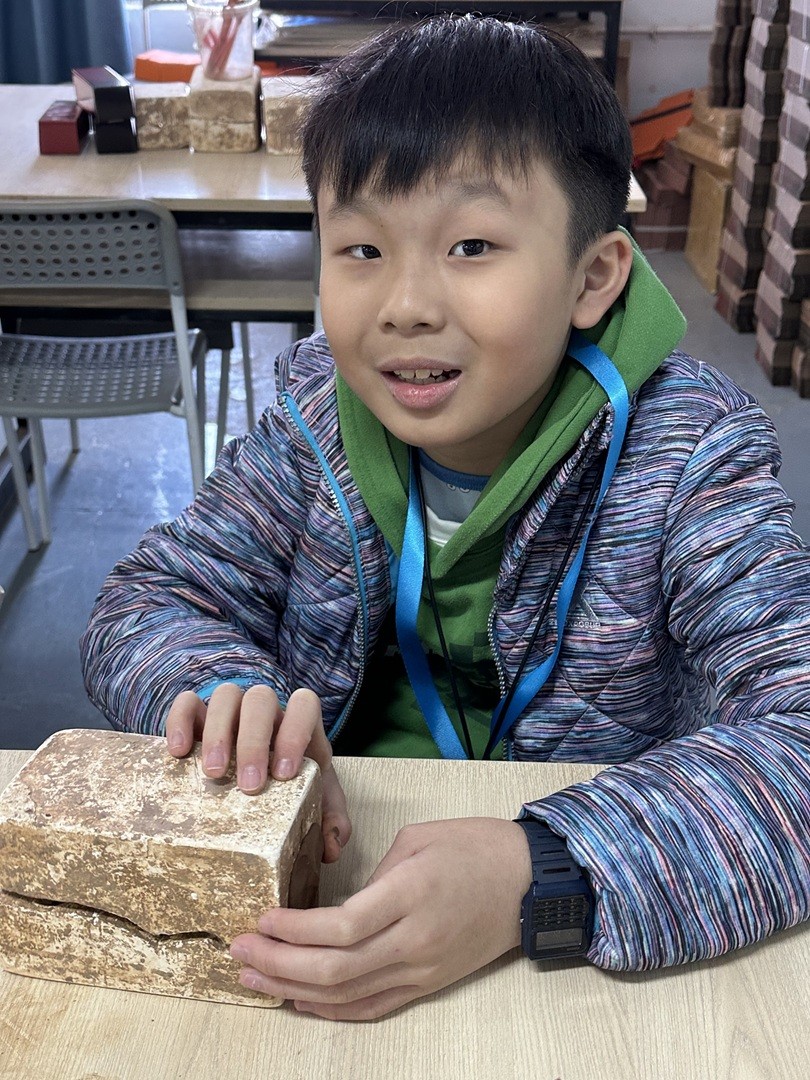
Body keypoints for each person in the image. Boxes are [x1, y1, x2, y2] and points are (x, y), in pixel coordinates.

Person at [81, 15, 810, 1021]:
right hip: (336, 877)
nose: (406, 305)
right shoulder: (315, 418)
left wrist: (540, 874)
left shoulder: (688, 455)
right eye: (362, 247)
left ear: (593, 277)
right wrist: (216, 688)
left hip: (580, 930)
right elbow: (150, 598)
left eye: (472, 246)